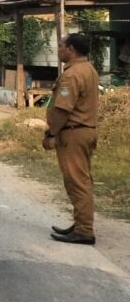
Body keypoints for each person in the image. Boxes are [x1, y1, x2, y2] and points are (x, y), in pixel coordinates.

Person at [43, 33, 100, 245]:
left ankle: (84, 230)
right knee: (81, 179)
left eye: (61, 46)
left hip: (74, 133)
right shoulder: (89, 70)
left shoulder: (73, 74)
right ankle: (80, 224)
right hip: (84, 130)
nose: (58, 50)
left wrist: (51, 134)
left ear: (72, 49)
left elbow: (62, 109)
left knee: (77, 182)